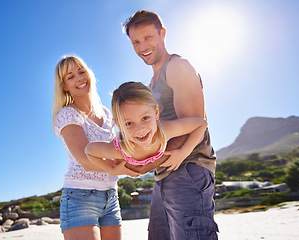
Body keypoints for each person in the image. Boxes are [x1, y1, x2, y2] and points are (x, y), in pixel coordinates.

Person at [123, 10, 219, 239]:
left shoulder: (177, 67)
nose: (142, 46)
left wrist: (154, 161)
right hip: (164, 174)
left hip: (189, 168)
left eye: (148, 37)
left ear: (162, 33)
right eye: (136, 42)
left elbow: (197, 124)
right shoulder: (151, 83)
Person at [53, 54, 139, 240]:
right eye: (71, 77)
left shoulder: (107, 114)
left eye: (81, 71)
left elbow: (116, 149)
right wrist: (119, 169)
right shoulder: (68, 114)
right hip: (80, 197)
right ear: (64, 86)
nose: (79, 78)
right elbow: (85, 159)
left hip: (111, 195)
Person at [85, 81, 208, 175]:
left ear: (156, 113)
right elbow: (89, 151)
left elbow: (201, 124)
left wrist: (183, 153)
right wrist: (112, 170)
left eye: (145, 118)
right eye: (129, 123)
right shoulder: (119, 149)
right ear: (119, 125)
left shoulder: (164, 131)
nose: (140, 129)